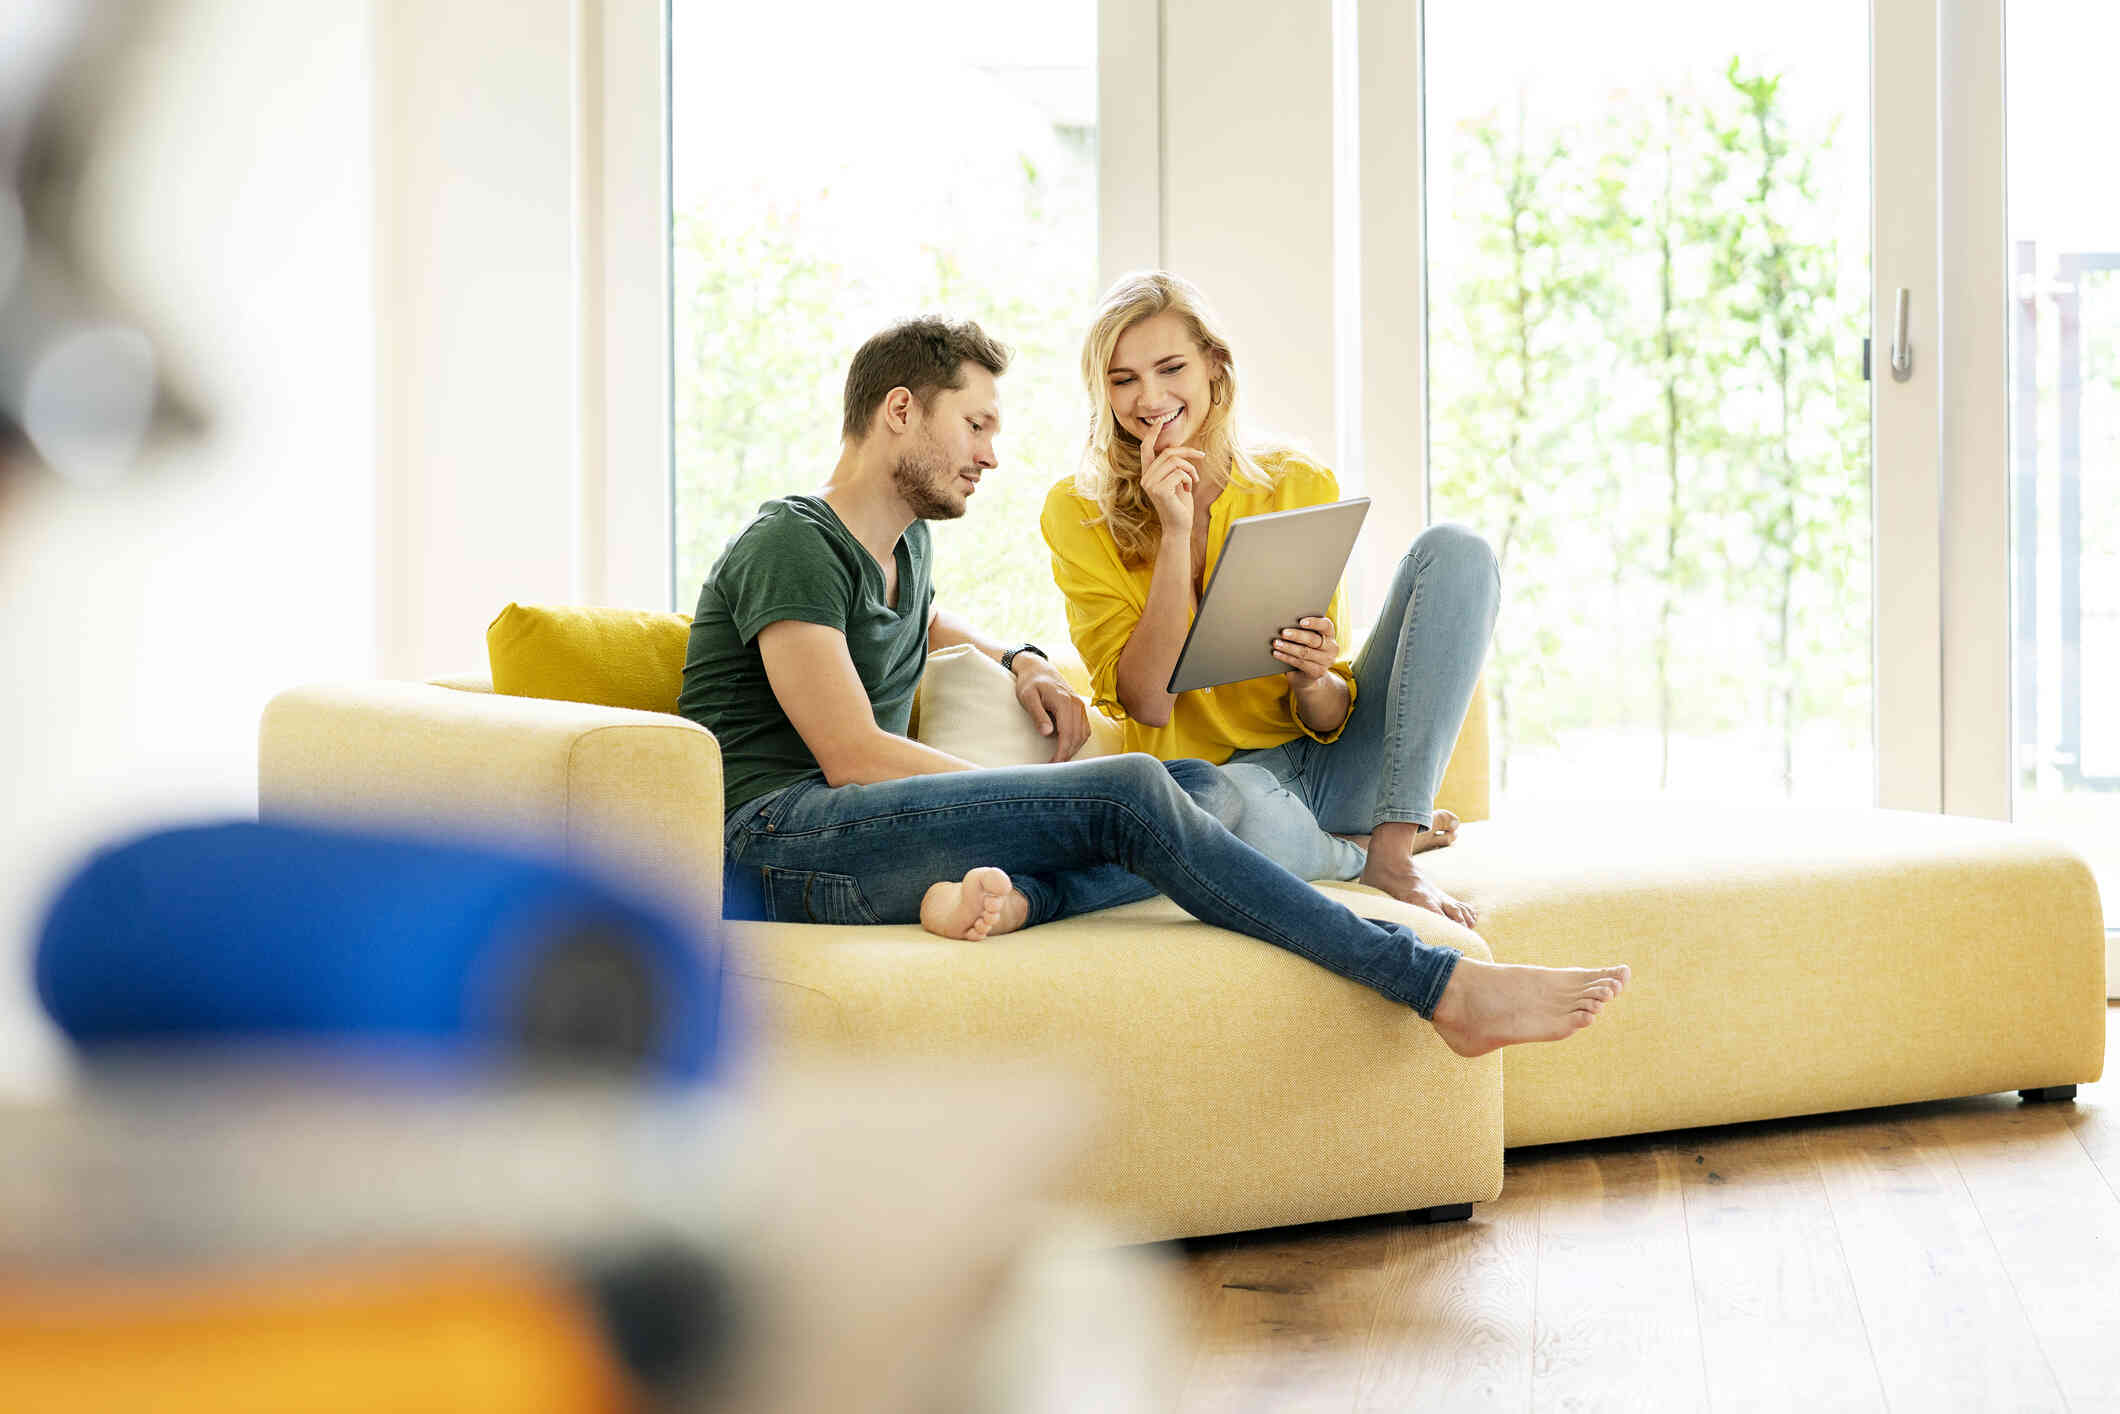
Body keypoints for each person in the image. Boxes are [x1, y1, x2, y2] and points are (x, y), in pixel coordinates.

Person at [677, 316, 1627, 1057]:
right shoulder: (789, 543)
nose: (992, 454)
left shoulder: (899, 547)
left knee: (1198, 793)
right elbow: (851, 757)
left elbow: (917, 625)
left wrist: (1022, 659)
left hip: (853, 842)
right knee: (1133, 788)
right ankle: (1439, 989)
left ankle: (1023, 900)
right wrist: (1047, 795)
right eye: (975, 423)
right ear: (899, 411)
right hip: (773, 844)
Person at [1043, 271, 1495, 929]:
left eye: (1171, 368)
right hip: (1219, 791)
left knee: (1458, 549)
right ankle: (1354, 855)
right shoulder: (1076, 512)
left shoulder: (1297, 480)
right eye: (1123, 379)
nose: (1150, 397)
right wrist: (1172, 529)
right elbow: (1146, 701)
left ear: (1214, 369)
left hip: (1332, 770)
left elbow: (1333, 710)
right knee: (1213, 825)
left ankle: (1394, 849)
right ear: (1103, 392)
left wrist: (1312, 677)